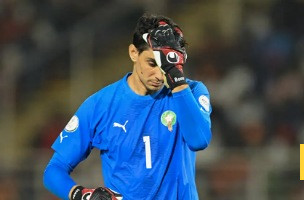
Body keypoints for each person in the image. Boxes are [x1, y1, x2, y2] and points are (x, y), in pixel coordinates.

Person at [43, 13, 212, 200]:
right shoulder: (100, 105)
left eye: (166, 65)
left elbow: (199, 140)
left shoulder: (192, 92)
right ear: (133, 53)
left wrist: (176, 79)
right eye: (151, 63)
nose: (159, 74)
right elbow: (54, 170)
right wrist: (83, 195)